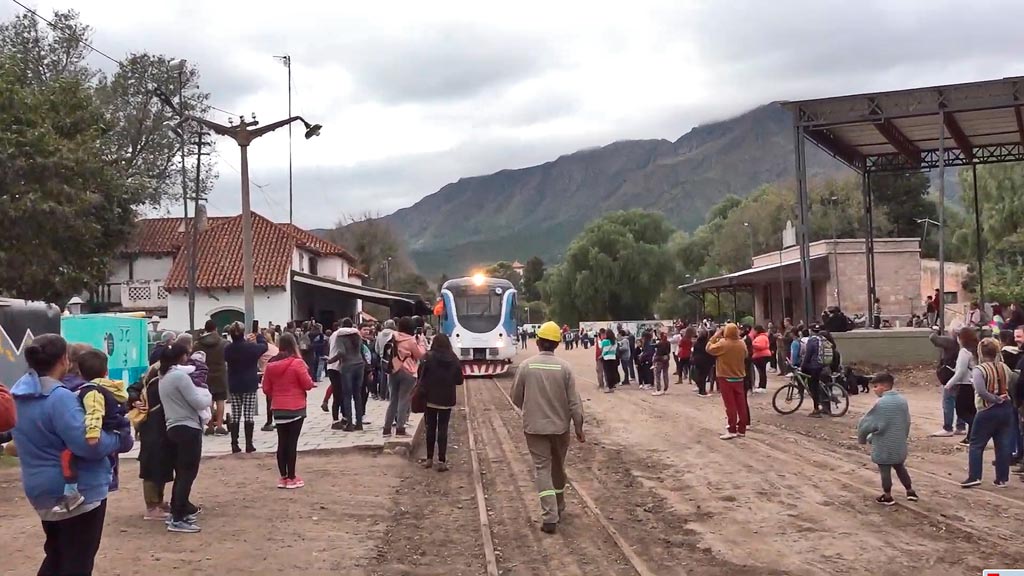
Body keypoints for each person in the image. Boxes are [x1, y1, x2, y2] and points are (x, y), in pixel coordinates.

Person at [11, 334, 130, 575]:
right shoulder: (59, 398)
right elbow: (88, 444)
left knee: (56, 556)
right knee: (77, 562)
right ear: (64, 359)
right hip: (77, 492)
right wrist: (119, 437)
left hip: (39, 488)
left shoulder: (19, 395)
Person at [511, 321, 585, 535]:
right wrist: (578, 427)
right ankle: (559, 506)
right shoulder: (565, 368)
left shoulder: (527, 366)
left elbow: (516, 397)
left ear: (538, 342)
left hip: (534, 428)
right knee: (558, 466)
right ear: (557, 344)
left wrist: (531, 407)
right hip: (561, 428)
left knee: (542, 469)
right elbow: (574, 403)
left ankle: (549, 517)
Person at [56, 348, 131, 512]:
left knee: (66, 457)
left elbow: (95, 413)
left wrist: (92, 434)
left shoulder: (91, 391)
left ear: (80, 373)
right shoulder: (109, 387)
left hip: (103, 430)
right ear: (106, 371)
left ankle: (71, 492)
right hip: (114, 430)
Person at [159, 343, 211, 532]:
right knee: (187, 473)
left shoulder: (163, 377)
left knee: (181, 472)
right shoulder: (180, 377)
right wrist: (208, 397)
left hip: (172, 426)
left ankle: (177, 511)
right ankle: (178, 516)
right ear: (181, 356)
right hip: (188, 426)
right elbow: (197, 401)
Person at [962, 337, 1017, 488]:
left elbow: (981, 391)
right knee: (1003, 445)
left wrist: (995, 399)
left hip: (987, 409)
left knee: (976, 444)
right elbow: (1012, 383)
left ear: (980, 352)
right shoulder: (1004, 367)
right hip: (1006, 409)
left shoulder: (979, 370)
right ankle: (1002, 478)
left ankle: (975, 476)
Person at [262, 332, 314, 489]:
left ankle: (283, 477)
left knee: (282, 442)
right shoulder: (297, 363)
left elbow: (266, 389)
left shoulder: (270, 365)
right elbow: (307, 384)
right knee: (292, 443)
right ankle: (292, 477)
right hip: (296, 407)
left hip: (278, 408)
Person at [857, 373, 918, 505]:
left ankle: (887, 495)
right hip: (899, 442)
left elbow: (868, 423)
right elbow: (906, 421)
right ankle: (910, 491)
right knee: (900, 467)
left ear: (884, 386)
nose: (874, 389)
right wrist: (903, 436)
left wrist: (863, 437)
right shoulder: (902, 400)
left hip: (884, 444)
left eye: (875, 386)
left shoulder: (881, 403)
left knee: (885, 471)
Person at [417, 334, 464, 471]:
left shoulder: (428, 357)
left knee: (430, 427)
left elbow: (421, 376)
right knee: (443, 428)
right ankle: (442, 461)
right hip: (446, 399)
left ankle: (429, 458)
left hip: (430, 398)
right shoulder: (453, 358)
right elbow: (459, 380)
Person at [224, 322, 267, 454]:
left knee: (236, 414)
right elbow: (264, 347)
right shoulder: (251, 348)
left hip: (234, 383)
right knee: (248, 414)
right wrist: (258, 335)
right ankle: (249, 444)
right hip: (249, 383)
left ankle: (234, 444)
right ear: (243, 333)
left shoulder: (228, 349)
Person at [384, 317, 427, 437]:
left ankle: (386, 429)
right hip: (408, 371)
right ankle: (400, 429)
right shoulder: (412, 340)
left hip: (393, 369)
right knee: (403, 400)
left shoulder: (393, 336)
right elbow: (420, 355)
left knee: (393, 399)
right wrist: (421, 342)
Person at [707, 324, 749, 439]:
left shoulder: (723, 344)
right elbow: (746, 355)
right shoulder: (742, 343)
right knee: (741, 404)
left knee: (730, 405)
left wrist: (715, 335)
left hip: (725, 377)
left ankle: (732, 429)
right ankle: (742, 429)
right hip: (739, 377)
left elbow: (709, 348)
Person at [928, 326, 968, 437]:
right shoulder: (968, 346)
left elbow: (933, 338)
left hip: (951, 377)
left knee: (948, 401)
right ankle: (961, 426)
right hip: (964, 378)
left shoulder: (950, 342)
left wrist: (935, 330)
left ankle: (948, 427)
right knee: (960, 401)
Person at [945, 327, 979, 446]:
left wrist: (949, 384)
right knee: (972, 411)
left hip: (965, 384)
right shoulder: (975, 350)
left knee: (962, 411)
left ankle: (976, 430)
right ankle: (971, 437)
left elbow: (961, 372)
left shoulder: (964, 352)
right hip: (974, 383)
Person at [193, 320, 228, 436]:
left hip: (205, 374)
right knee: (220, 400)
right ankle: (219, 425)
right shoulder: (223, 343)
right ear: (215, 329)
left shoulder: (198, 344)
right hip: (220, 374)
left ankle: (209, 425)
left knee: (209, 400)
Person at [691, 328, 713, 397]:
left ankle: (701, 389)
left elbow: (694, 352)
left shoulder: (697, 343)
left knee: (700, 375)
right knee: (703, 376)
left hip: (698, 360)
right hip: (705, 361)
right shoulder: (707, 343)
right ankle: (702, 391)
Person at [751, 325, 771, 393]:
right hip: (759, 356)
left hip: (761, 356)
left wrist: (753, 344)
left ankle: (762, 386)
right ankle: (761, 385)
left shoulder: (761, 337)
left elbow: (761, 346)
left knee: (762, 371)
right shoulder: (761, 337)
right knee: (761, 371)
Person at [600, 327, 620, 393]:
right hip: (613, 357)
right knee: (612, 372)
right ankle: (613, 385)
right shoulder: (615, 341)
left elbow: (602, 349)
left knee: (607, 373)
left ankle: (609, 387)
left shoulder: (604, 341)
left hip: (606, 358)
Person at [653, 331, 671, 396]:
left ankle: (658, 389)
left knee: (657, 374)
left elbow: (655, 349)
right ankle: (665, 389)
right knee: (665, 374)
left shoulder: (659, 343)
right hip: (666, 359)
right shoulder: (668, 343)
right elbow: (669, 351)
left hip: (659, 360)